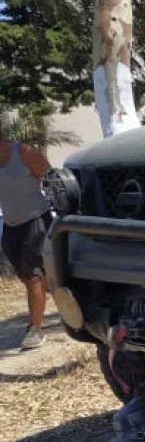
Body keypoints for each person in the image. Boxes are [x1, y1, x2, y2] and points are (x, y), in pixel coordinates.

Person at [0, 126, 52, 350]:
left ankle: (35, 329)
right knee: (34, 279)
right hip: (11, 226)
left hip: (35, 221)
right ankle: (71, 301)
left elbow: (51, 178)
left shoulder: (23, 153)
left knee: (33, 279)